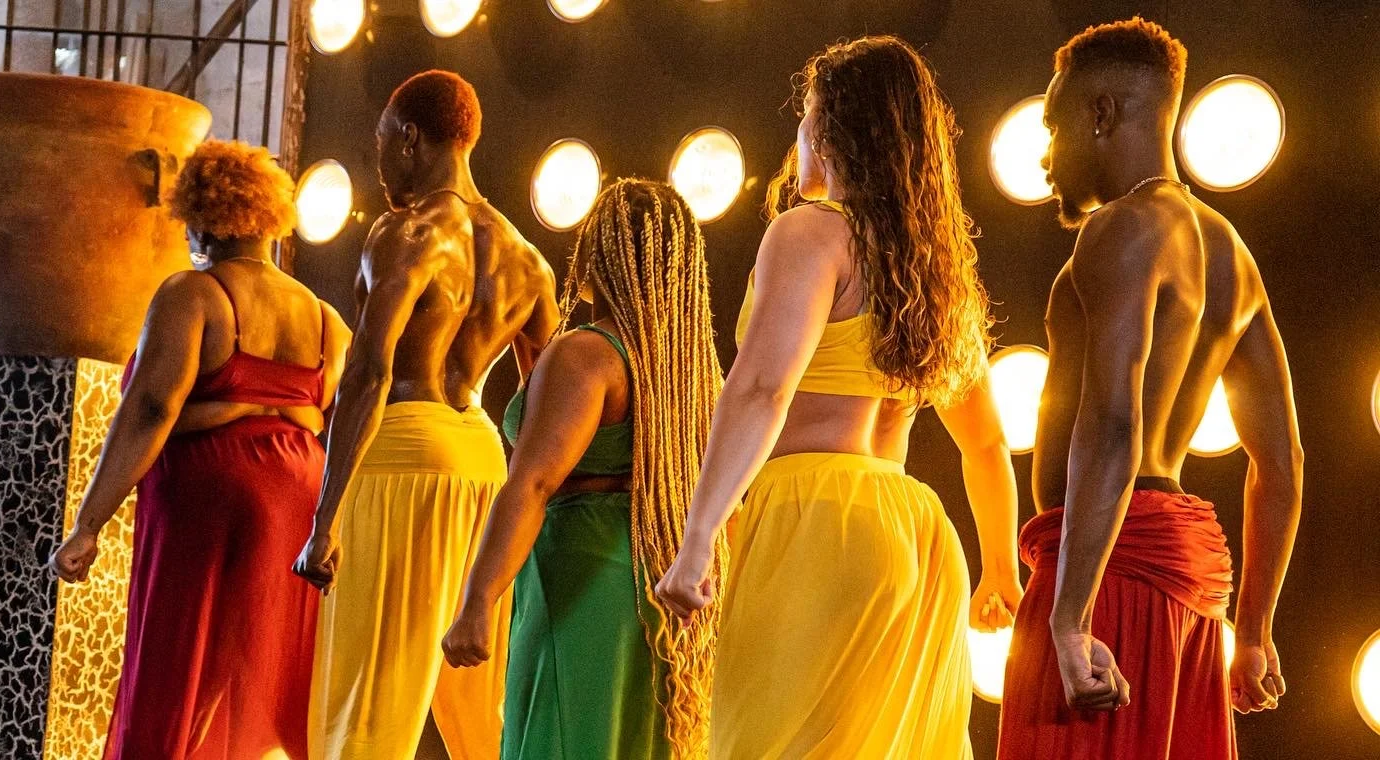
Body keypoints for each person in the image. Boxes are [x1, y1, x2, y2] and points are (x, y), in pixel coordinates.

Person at [655, 36, 1023, 758]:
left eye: (807, 117)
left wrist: (698, 535)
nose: (799, 136)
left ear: (829, 130)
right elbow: (983, 442)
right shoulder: (935, 264)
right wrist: (1001, 572)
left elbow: (762, 386)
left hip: (811, 521)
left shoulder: (809, 233)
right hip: (917, 533)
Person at [997, 17, 1304, 760]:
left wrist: (1070, 619)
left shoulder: (1122, 229)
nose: (1046, 155)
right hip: (1188, 603)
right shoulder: (1231, 254)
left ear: (1100, 114)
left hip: (1105, 577)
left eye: (1053, 124)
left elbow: (1111, 425)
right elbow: (1283, 462)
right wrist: (1255, 632)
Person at [48, 139, 352, 759]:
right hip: (298, 495)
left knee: (182, 661)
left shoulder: (192, 295)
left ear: (204, 219)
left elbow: (151, 409)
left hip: (208, 495)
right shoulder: (326, 319)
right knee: (260, 665)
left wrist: (88, 523)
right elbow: (313, 415)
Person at [292, 70, 559, 760]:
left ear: (409, 137)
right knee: (474, 708)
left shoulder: (404, 233)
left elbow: (369, 371)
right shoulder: (527, 260)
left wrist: (325, 523)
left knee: (368, 693)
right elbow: (547, 401)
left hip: (403, 452)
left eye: (381, 141)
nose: (378, 159)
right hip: (480, 464)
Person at [442, 179, 725, 759]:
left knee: (564, 735)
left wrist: (477, 601)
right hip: (651, 582)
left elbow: (534, 482)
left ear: (598, 257)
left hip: (580, 575)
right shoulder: (687, 370)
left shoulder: (588, 354)